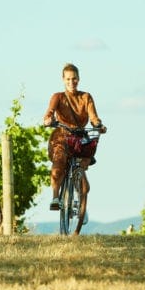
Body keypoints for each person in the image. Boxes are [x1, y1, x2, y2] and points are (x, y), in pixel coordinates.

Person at [43, 63, 107, 211]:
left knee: (84, 166)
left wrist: (98, 125)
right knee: (58, 164)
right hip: (62, 136)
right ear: (63, 80)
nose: (72, 82)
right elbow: (49, 113)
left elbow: (94, 117)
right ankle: (55, 197)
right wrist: (48, 120)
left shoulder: (86, 97)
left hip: (79, 137)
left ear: (79, 79)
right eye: (68, 79)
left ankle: (79, 198)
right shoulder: (58, 97)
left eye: (74, 79)